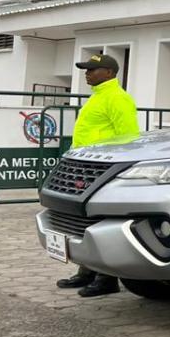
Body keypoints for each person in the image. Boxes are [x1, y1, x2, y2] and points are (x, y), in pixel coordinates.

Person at [55, 53, 139, 297]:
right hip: (86, 167)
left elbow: (129, 137)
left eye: (93, 69)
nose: (87, 73)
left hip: (104, 170)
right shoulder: (98, 97)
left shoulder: (117, 98)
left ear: (109, 73)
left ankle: (106, 278)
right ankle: (87, 271)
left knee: (100, 220)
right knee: (83, 220)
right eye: (86, 69)